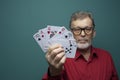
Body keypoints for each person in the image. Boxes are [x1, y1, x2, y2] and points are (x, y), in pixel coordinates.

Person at [42, 11, 119, 80]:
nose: (83, 34)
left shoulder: (106, 57)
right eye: (77, 30)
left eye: (88, 29)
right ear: (70, 34)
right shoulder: (60, 58)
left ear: (93, 33)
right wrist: (54, 72)